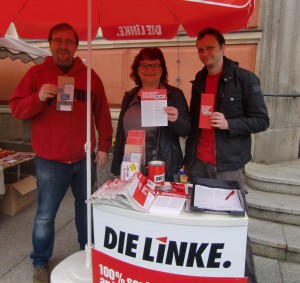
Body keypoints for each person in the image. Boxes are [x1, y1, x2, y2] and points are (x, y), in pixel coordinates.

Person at [9, 23, 113, 283]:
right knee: (45, 215)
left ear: (76, 46)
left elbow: (101, 112)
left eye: (68, 41)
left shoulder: (89, 76)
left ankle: (86, 252)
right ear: (50, 43)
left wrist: (104, 146)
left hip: (84, 157)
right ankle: (40, 261)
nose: (63, 46)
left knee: (85, 209)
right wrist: (37, 98)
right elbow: (16, 109)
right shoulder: (37, 74)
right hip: (50, 162)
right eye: (58, 41)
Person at [185, 27, 269, 283]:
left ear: (223, 48)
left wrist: (230, 123)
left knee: (235, 226)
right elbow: (194, 121)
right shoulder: (198, 81)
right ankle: (209, 274)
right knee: (200, 223)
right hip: (199, 163)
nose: (204, 53)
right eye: (200, 49)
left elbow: (262, 120)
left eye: (209, 47)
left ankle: (247, 278)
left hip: (228, 166)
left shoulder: (245, 79)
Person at [111, 47, 191, 182]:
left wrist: (176, 119)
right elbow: (120, 134)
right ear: (137, 69)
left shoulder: (175, 95)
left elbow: (187, 129)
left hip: (163, 166)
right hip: (132, 167)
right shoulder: (130, 96)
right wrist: (117, 165)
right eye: (144, 65)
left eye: (154, 66)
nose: (149, 70)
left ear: (162, 69)